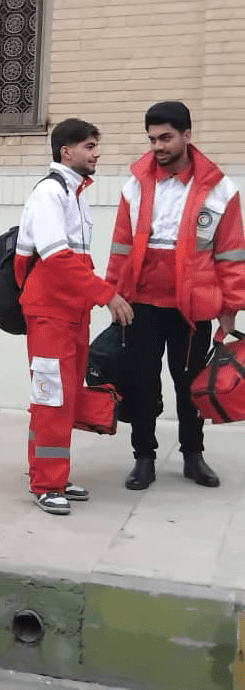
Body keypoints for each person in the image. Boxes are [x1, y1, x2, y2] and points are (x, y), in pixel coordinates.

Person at [105, 101, 245, 490]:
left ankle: (193, 455)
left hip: (192, 307)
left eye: (165, 138)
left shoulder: (220, 189)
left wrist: (231, 306)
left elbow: (230, 253)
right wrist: (114, 295)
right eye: (152, 139)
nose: (157, 147)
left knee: (190, 386)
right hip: (140, 305)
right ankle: (144, 458)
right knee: (142, 384)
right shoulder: (135, 184)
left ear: (187, 135)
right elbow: (120, 246)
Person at [14, 119, 133, 515]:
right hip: (51, 315)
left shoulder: (74, 193)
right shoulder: (51, 193)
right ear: (66, 152)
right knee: (51, 398)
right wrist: (106, 294)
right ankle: (46, 484)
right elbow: (56, 257)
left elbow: (73, 260)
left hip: (70, 314)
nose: (96, 153)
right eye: (89, 146)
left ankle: (54, 476)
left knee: (63, 397)